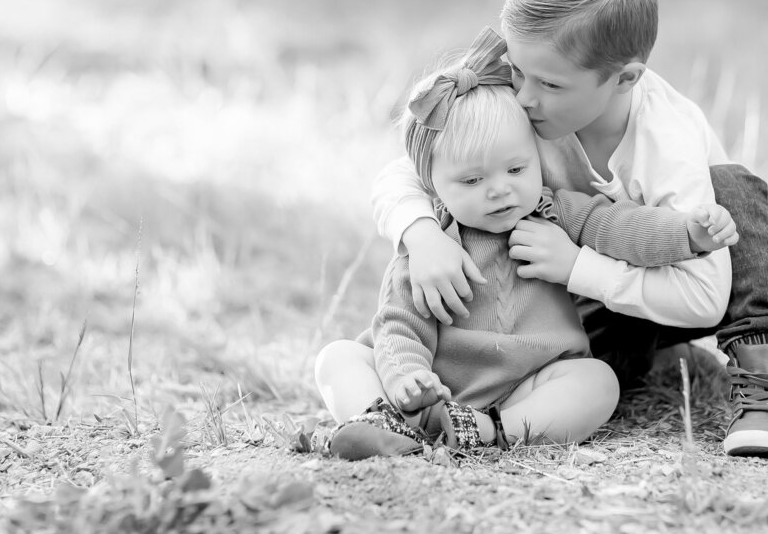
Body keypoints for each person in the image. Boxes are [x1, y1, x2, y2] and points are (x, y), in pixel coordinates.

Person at [371, 0, 768, 458]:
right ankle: (639, 360)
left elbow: (703, 299)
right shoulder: (525, 92)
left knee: (735, 190)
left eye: (550, 84)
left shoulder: (666, 140)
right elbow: (409, 166)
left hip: (661, 282)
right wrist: (421, 235)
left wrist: (577, 266)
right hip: (570, 323)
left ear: (625, 78)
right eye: (517, 71)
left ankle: (764, 381)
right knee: (590, 374)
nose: (525, 97)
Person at [315, 28, 738, 460]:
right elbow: (399, 325)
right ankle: (379, 421)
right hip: (428, 387)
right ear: (433, 185)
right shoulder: (433, 247)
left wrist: (687, 234)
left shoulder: (555, 212)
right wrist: (408, 377)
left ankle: (489, 433)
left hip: (525, 385)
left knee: (596, 382)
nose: (500, 190)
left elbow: (623, 228)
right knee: (338, 357)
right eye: (473, 180)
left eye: (516, 169)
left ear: (537, 157)